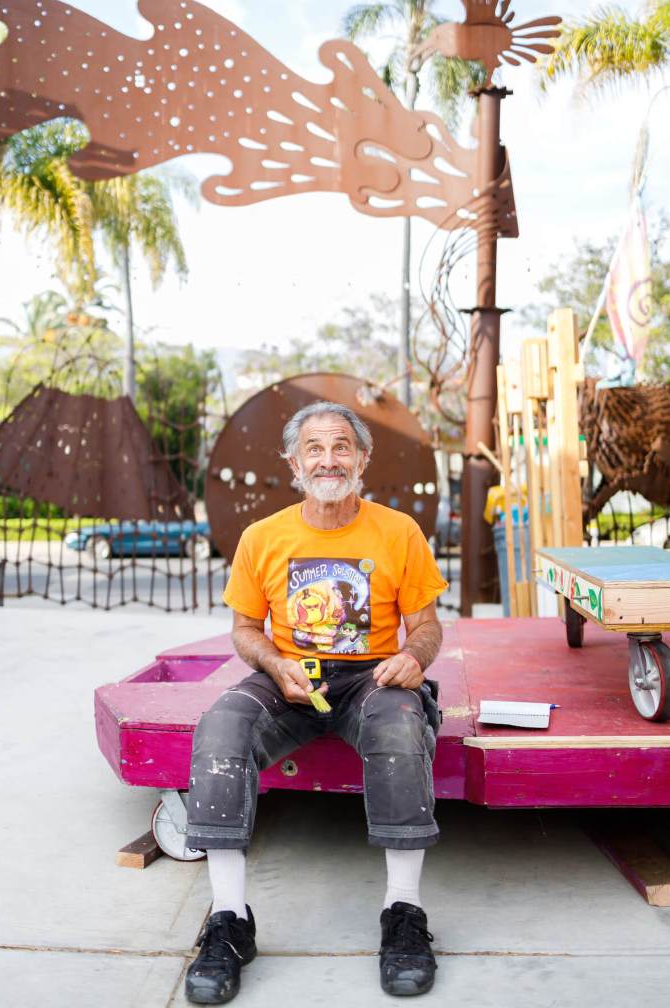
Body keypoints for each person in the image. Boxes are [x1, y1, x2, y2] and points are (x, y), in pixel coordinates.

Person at [185, 400, 448, 1004]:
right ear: (293, 462)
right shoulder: (262, 536)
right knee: (221, 726)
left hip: (370, 677)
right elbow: (245, 629)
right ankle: (229, 922)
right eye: (314, 448)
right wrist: (274, 663)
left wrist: (415, 658)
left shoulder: (399, 531)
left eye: (340, 447)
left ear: (362, 459)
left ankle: (403, 914)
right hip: (288, 677)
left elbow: (427, 626)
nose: (329, 459)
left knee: (400, 726)